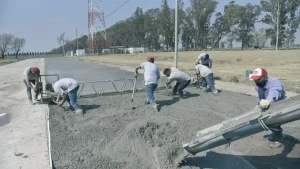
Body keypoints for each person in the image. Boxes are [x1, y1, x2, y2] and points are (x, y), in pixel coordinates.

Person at [249, 68, 287, 148]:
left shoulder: (275, 83)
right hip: (267, 104)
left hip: (279, 105)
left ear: (265, 77)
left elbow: (274, 93)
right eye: (255, 80)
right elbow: (260, 97)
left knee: (273, 123)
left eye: (258, 79)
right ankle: (276, 134)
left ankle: (278, 139)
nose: (256, 81)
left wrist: (268, 101)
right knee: (267, 122)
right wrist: (258, 106)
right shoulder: (259, 85)